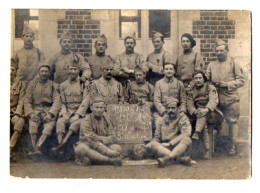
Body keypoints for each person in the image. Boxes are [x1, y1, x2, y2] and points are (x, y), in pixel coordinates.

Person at [206, 39, 245, 156]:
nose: (219, 53)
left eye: (221, 50)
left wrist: (227, 84)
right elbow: (206, 79)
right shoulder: (211, 64)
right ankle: (214, 147)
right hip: (215, 100)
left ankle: (233, 146)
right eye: (217, 51)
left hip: (230, 98)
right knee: (214, 122)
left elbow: (241, 80)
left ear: (227, 51)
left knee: (232, 122)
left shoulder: (234, 64)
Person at [51, 62, 90, 156]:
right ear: (67, 71)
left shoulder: (84, 84)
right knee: (60, 122)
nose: (73, 71)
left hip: (79, 112)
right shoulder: (62, 85)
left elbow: (85, 101)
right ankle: (61, 149)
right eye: (71, 69)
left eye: (75, 69)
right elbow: (62, 103)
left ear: (79, 71)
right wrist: (64, 114)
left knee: (75, 123)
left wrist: (77, 115)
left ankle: (63, 144)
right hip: (67, 111)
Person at [24, 63, 61, 158]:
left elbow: (57, 101)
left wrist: (51, 114)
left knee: (48, 127)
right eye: (42, 71)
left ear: (49, 73)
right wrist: (31, 114)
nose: (44, 73)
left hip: (48, 111)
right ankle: (35, 149)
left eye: (46, 71)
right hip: (36, 110)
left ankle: (37, 148)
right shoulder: (32, 85)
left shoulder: (53, 85)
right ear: (38, 73)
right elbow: (27, 100)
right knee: (33, 126)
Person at [73, 96, 123, 166]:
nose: (99, 110)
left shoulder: (107, 120)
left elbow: (113, 137)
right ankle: (108, 160)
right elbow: (91, 140)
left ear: (104, 108)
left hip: (103, 145)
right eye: (96, 107)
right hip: (88, 145)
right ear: (91, 108)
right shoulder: (86, 121)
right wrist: (108, 151)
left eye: (101, 107)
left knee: (117, 148)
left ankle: (94, 159)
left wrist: (101, 140)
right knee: (81, 149)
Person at [146, 98, 192, 167]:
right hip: (165, 149)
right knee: (153, 144)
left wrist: (170, 143)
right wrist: (148, 146)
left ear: (178, 108)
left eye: (173, 108)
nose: (170, 110)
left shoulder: (183, 118)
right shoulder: (162, 120)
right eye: (168, 108)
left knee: (187, 139)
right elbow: (157, 138)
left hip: (179, 147)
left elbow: (186, 133)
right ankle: (179, 159)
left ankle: (168, 158)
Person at [187, 70, 219, 159]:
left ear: (203, 79)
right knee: (202, 120)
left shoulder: (210, 87)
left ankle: (197, 133)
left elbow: (213, 100)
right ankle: (207, 150)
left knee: (203, 115)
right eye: (196, 78)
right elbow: (189, 103)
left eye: (200, 78)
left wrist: (206, 109)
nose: (198, 80)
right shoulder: (191, 90)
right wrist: (194, 111)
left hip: (212, 113)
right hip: (199, 113)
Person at [10, 59, 26, 161]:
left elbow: (21, 101)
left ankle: (10, 149)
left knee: (19, 123)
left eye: (13, 69)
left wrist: (17, 114)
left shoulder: (21, 84)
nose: (11, 72)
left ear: (16, 71)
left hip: (15, 112)